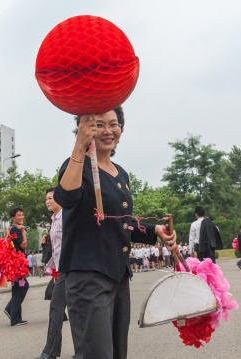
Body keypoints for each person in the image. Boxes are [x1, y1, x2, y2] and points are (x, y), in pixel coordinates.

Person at [53, 107, 177, 358]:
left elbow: (120, 222)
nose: (108, 131)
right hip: (88, 279)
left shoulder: (120, 173)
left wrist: (155, 230)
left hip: (118, 276)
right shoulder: (76, 165)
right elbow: (65, 198)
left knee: (118, 353)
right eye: (99, 125)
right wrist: (79, 147)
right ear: (84, 128)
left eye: (114, 124)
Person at [38, 186, 70, 359]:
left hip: (72, 269)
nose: (48, 201)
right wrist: (47, 243)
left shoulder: (66, 216)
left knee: (77, 311)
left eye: (51, 198)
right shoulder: (54, 219)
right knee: (56, 309)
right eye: (46, 199)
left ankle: (85, 350)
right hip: (62, 271)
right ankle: (50, 351)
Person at [4, 207, 29, 326]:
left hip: (15, 265)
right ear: (13, 218)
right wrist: (23, 232)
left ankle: (11, 310)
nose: (21, 217)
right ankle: (14, 318)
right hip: (17, 265)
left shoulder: (11, 229)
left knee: (21, 287)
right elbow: (23, 245)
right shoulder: (16, 230)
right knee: (19, 289)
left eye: (22, 215)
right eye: (19, 215)